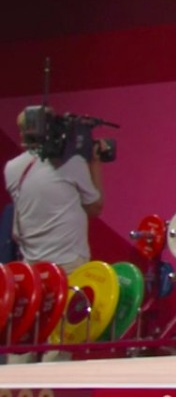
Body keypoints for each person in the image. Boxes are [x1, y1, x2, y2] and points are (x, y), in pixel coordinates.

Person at [4, 108, 106, 363]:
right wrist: (95, 163)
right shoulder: (73, 164)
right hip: (69, 267)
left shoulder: (12, 168)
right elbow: (95, 206)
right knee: (62, 340)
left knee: (27, 334)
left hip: (33, 270)